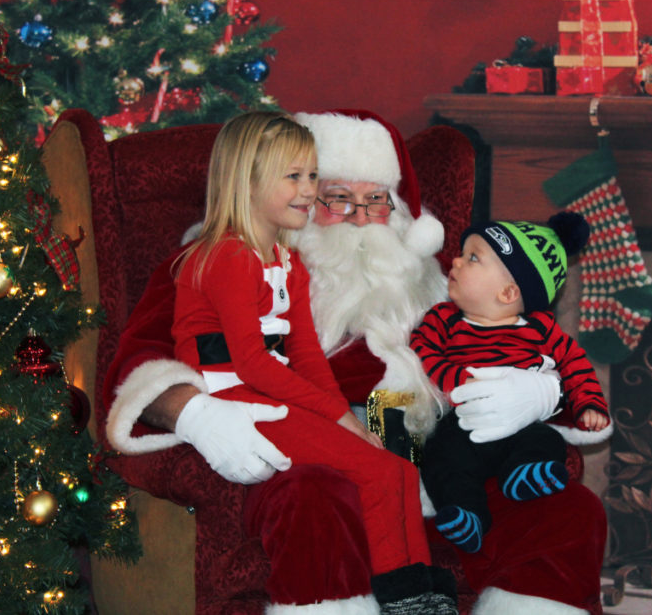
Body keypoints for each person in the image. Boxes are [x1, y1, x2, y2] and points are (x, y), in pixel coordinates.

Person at [104, 109, 608, 614]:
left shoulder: (438, 287)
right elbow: (137, 363)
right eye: (338, 198)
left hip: (441, 456)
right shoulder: (210, 260)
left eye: (376, 200)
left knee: (569, 511)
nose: (362, 218)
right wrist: (195, 413)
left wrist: (542, 392)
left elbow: (518, 345)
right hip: (303, 453)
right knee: (318, 499)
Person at [167, 110, 456, 614]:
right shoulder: (226, 258)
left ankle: (420, 591)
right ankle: (404, 597)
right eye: (294, 177)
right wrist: (335, 417)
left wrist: (346, 421)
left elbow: (304, 355)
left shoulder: (286, 262)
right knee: (382, 472)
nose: (307, 190)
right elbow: (254, 366)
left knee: (399, 470)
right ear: (249, 181)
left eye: (312, 176)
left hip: (273, 396)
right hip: (241, 404)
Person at [411, 213, 612, 554]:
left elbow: (575, 366)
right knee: (441, 456)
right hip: (462, 425)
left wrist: (590, 404)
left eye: (473, 257)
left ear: (508, 292)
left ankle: (525, 475)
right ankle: (467, 514)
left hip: (521, 427)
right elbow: (421, 351)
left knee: (545, 439)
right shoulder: (442, 318)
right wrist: (458, 381)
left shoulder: (541, 330)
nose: (456, 261)